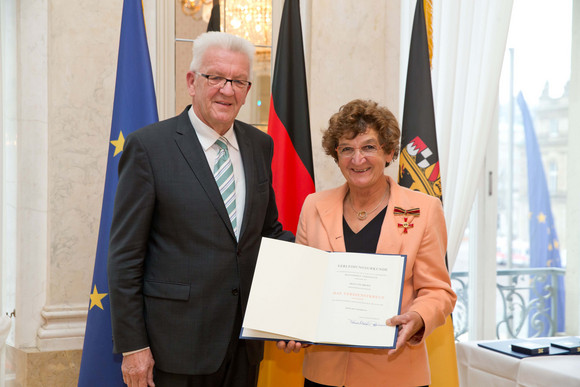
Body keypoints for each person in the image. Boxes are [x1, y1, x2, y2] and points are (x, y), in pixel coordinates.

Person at [108, 31, 293, 387]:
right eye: (216, 77)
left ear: (247, 89)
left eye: (238, 80)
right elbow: (125, 256)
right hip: (174, 347)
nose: (228, 89)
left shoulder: (260, 145)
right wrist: (134, 347)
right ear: (192, 81)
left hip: (243, 342)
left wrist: (319, 271)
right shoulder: (149, 148)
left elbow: (267, 233)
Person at [277, 99, 456, 387]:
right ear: (336, 155)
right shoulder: (314, 205)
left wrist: (418, 317)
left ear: (388, 152)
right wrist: (290, 328)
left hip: (395, 374)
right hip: (324, 374)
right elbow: (303, 286)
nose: (357, 159)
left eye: (369, 147)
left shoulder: (424, 209)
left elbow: (438, 291)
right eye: (347, 149)